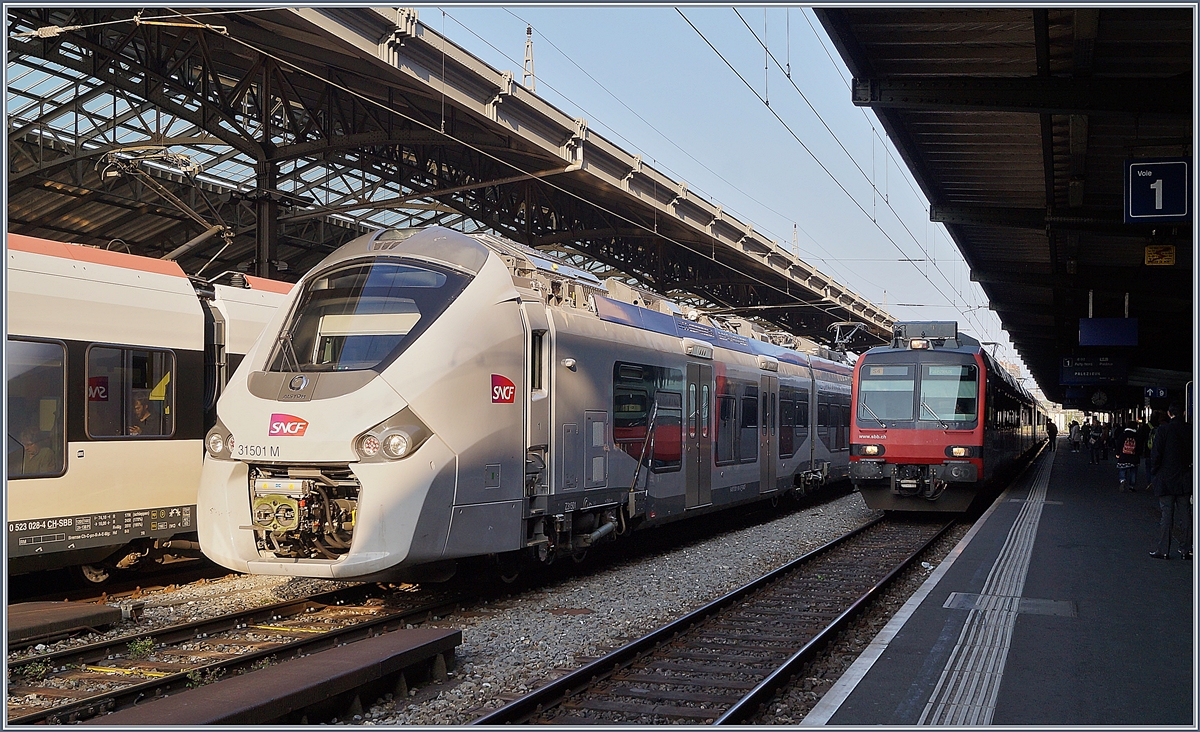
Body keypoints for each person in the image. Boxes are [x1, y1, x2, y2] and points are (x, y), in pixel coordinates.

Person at [1149, 402, 1192, 560]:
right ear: (1184, 412)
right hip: (1185, 478)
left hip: (1166, 478)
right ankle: (1187, 550)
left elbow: (1156, 454)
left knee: (1166, 515)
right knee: (1186, 515)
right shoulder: (1191, 429)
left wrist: (1154, 473)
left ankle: (1163, 550)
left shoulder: (1163, 430)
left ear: (1169, 413)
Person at [1115, 424, 1143, 492]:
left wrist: (1117, 453)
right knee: (1133, 472)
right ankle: (1131, 486)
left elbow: (1118, 445)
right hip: (1134, 457)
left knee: (1122, 470)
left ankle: (1122, 480)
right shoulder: (1137, 436)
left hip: (1123, 456)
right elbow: (1140, 447)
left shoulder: (1122, 435)